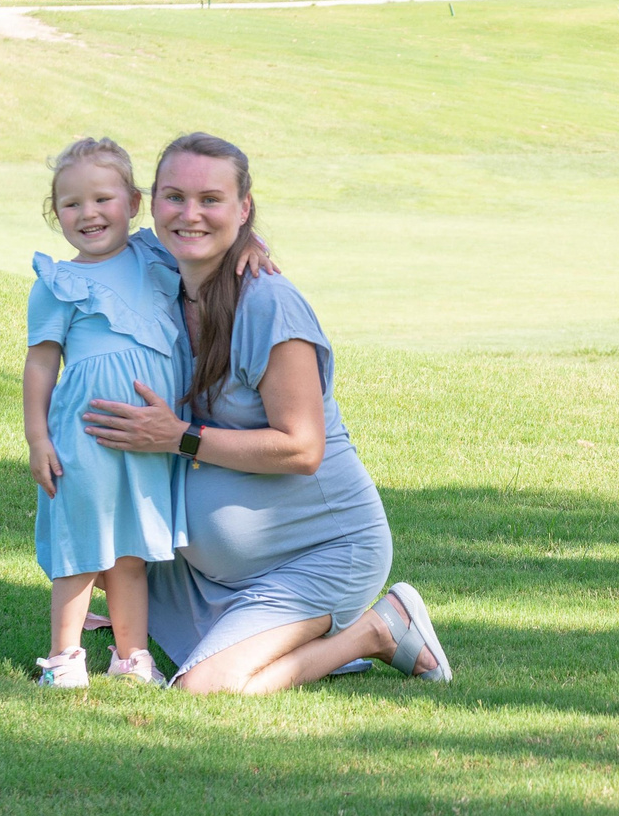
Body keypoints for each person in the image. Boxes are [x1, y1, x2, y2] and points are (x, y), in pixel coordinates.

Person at [81, 132, 450, 692]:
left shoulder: (268, 305)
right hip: (211, 569)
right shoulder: (158, 274)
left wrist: (179, 437)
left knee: (203, 688)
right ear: (150, 202)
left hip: (322, 556)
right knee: (95, 547)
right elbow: (94, 238)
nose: (190, 215)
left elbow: (302, 448)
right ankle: (213, 619)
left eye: (211, 200)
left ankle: (377, 629)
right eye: (174, 197)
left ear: (243, 208)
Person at [23, 138, 179, 687]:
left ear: (134, 203)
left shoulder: (153, 257)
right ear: (55, 212)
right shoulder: (58, 283)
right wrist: (37, 438)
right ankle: (64, 660)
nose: (88, 213)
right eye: (71, 204)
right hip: (86, 434)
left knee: (131, 551)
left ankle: (130, 656)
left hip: (148, 439)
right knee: (82, 544)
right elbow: (41, 365)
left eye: (103, 199)